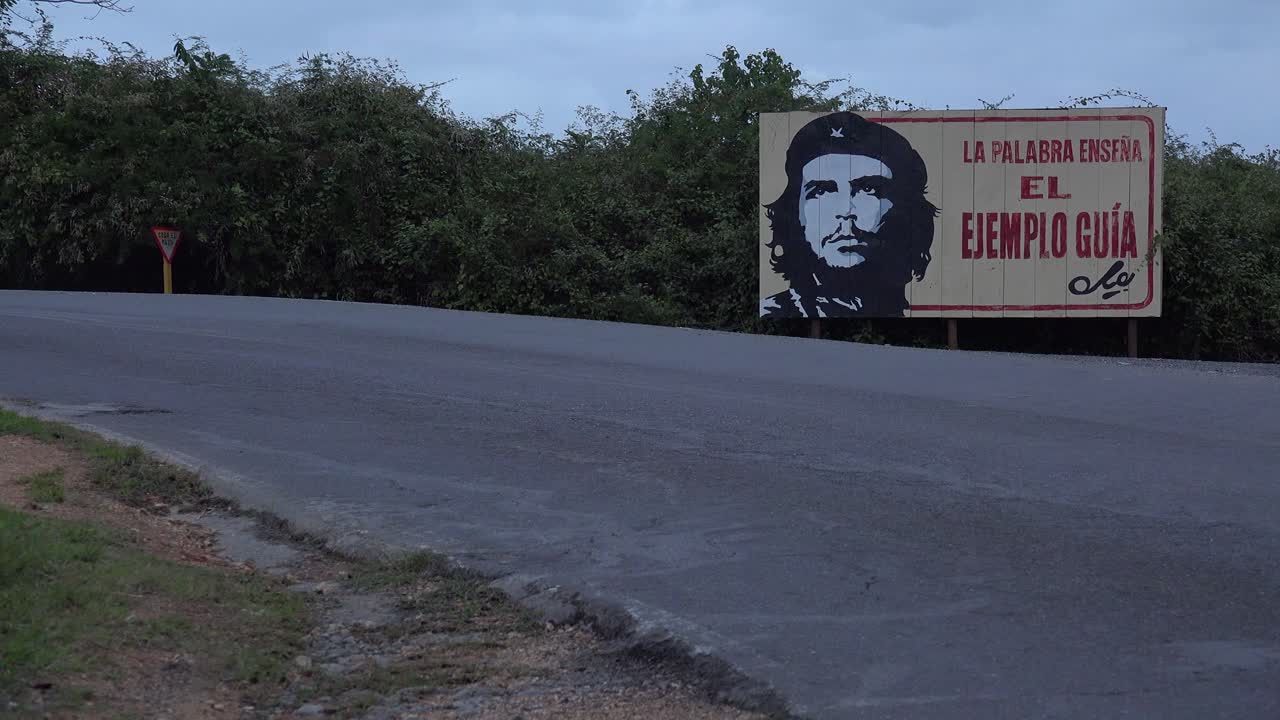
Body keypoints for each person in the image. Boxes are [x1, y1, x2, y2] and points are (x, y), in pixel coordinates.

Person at [760, 111, 939, 318]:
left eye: (869, 190)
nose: (846, 211)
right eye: (821, 191)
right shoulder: (771, 312)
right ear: (794, 212)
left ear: (907, 211)